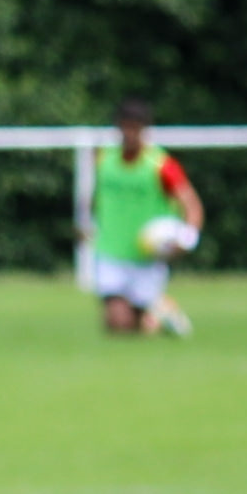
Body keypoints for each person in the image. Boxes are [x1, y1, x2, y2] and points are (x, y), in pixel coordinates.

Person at [77, 106, 202, 336]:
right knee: (117, 323)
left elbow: (192, 205)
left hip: (146, 257)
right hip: (110, 251)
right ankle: (156, 315)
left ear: (145, 129)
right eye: (124, 128)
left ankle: (161, 313)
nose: (129, 134)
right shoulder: (104, 159)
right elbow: (95, 198)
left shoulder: (161, 164)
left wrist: (187, 239)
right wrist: (88, 225)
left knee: (134, 326)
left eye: (134, 128)